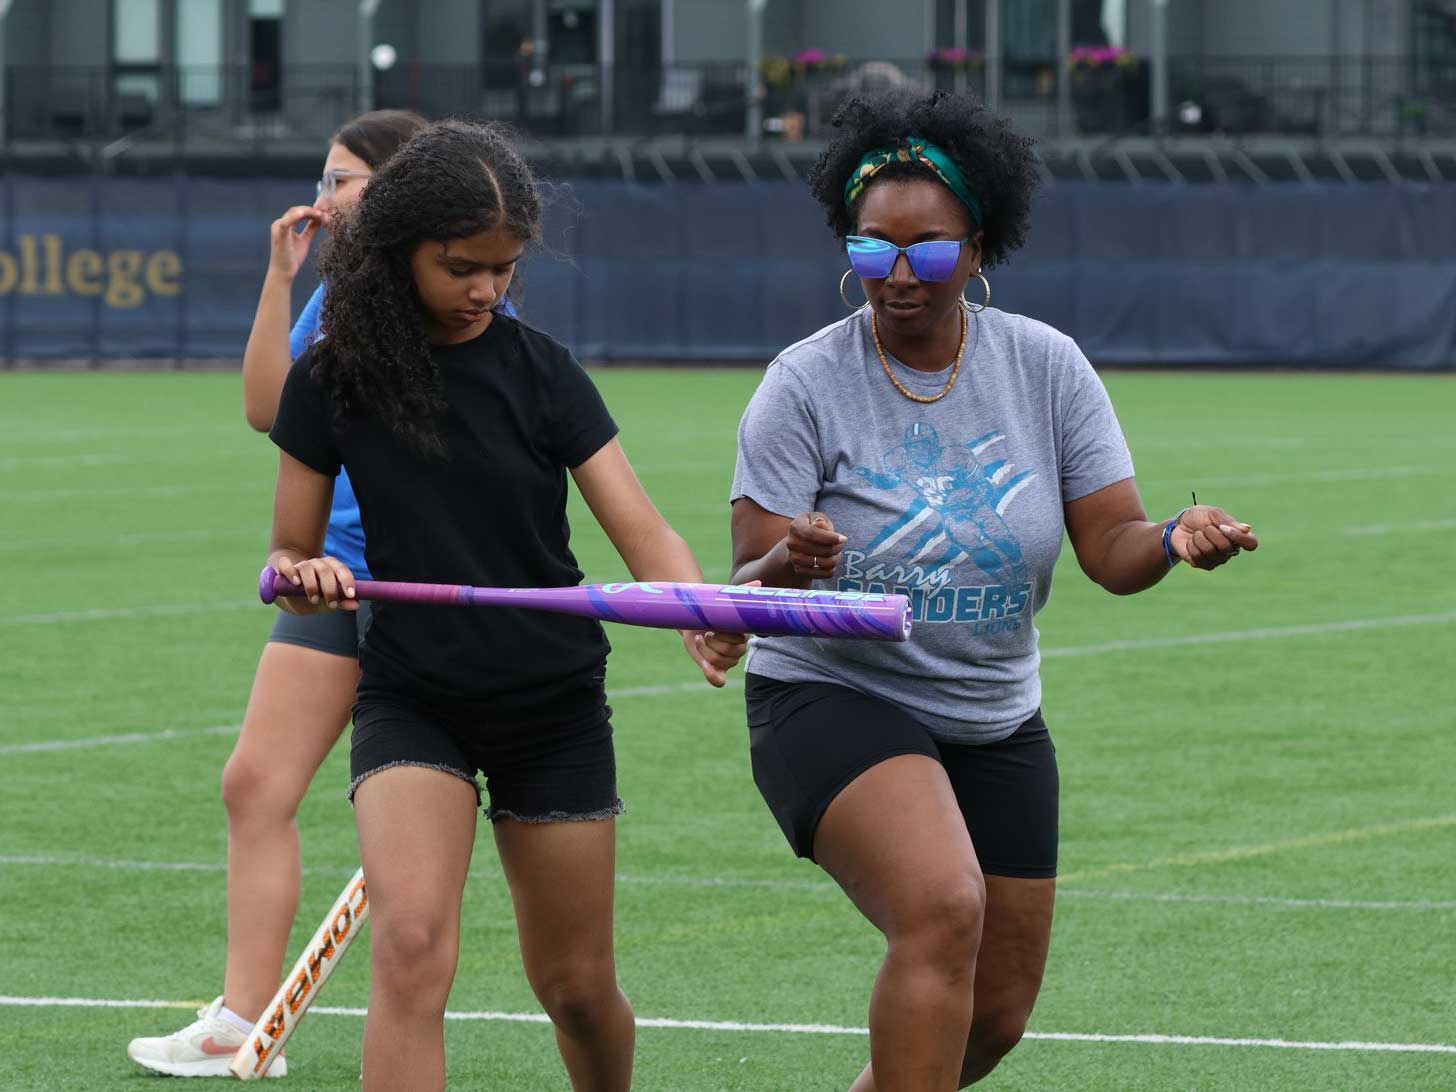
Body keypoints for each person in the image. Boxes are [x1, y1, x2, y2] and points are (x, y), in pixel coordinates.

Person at [728, 88, 1257, 1092]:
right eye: (874, 248)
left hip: (992, 712)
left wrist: (1172, 538)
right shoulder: (803, 382)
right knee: (941, 908)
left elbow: (1111, 548)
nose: (898, 275)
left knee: (995, 1016)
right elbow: (751, 577)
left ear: (977, 249)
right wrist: (790, 558)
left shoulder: (1044, 367)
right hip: (833, 694)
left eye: (926, 252)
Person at [263, 118, 747, 1092]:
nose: (486, 289)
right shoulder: (330, 378)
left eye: (504, 268)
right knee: (410, 949)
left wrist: (698, 607)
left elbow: (642, 529)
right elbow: (290, 547)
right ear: (400, 250)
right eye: (461, 268)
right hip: (411, 695)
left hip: (549, 702)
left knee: (576, 989)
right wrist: (302, 574)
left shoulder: (543, 373)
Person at [126, 110, 434, 1078]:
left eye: (342, 178)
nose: (324, 194)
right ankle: (238, 1018)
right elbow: (269, 409)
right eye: (325, 178)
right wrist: (279, 278)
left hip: (419, 587)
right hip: (325, 578)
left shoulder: (452, 295)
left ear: (396, 185)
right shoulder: (339, 297)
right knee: (254, 784)